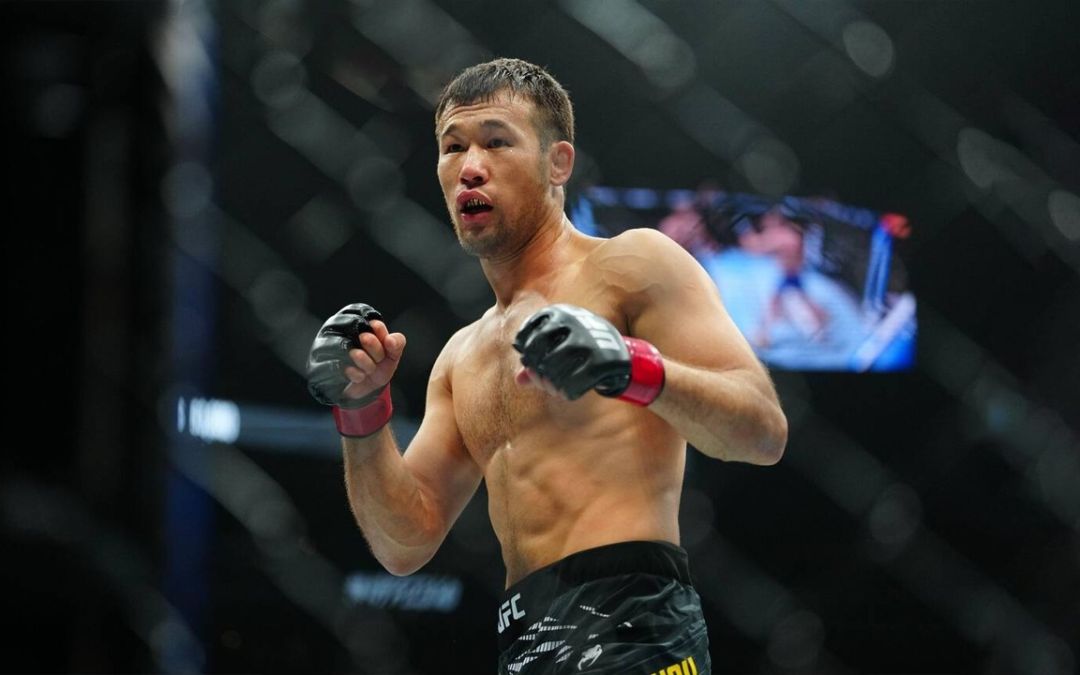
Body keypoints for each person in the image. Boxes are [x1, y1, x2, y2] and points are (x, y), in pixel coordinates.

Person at [306, 58, 787, 675]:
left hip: (635, 626)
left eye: (496, 142)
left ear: (558, 163)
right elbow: (404, 543)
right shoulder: (460, 357)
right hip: (525, 640)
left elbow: (763, 431)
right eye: (453, 147)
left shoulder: (631, 265)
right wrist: (360, 409)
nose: (470, 166)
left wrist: (629, 367)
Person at [737, 205, 830, 348]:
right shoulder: (788, 234)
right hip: (789, 274)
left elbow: (756, 248)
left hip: (789, 275)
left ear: (777, 220)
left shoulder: (785, 236)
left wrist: (744, 232)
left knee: (782, 304)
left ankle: (818, 328)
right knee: (775, 304)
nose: (764, 222)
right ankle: (763, 334)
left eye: (768, 219)